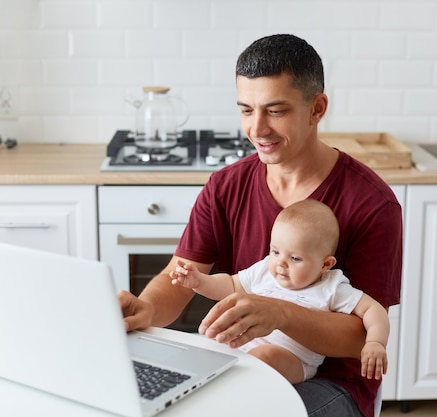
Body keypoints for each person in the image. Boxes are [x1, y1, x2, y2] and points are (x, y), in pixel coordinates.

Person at [119, 33, 402, 417]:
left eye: (276, 110)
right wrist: (147, 309)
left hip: (331, 381)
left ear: (317, 109)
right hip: (239, 359)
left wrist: (280, 313)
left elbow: (362, 337)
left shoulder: (372, 203)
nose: (258, 128)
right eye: (247, 110)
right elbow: (181, 275)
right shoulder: (225, 185)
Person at [169, 199, 390, 385]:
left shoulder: (331, 286)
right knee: (203, 346)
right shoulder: (266, 269)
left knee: (266, 357)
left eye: (295, 258)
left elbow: (373, 309)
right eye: (275, 251)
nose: (280, 264)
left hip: (292, 359)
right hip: (242, 348)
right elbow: (230, 285)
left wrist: (375, 342)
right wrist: (199, 281)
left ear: (325, 264)